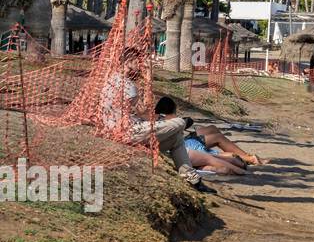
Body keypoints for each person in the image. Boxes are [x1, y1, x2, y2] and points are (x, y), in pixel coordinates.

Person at [100, 56, 201, 187]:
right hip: (130, 132)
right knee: (180, 122)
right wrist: (148, 76)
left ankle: (191, 176)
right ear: (127, 62)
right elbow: (145, 114)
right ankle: (180, 126)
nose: (141, 64)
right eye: (138, 60)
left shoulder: (111, 79)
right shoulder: (127, 85)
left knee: (177, 138)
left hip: (119, 129)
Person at [155, 97, 263, 175]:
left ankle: (247, 157)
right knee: (217, 140)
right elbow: (186, 123)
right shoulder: (169, 121)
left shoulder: (157, 119)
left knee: (212, 129)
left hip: (186, 142)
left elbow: (187, 122)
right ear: (172, 110)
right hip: (187, 145)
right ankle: (249, 158)